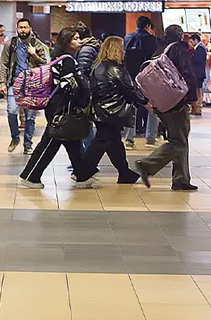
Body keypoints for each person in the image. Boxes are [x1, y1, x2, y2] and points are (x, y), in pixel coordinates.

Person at [19, 28, 89, 189]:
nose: (79, 41)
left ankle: (83, 175)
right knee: (51, 142)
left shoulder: (58, 58)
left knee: (73, 141)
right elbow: (68, 85)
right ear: (67, 42)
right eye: (75, 38)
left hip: (56, 106)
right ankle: (30, 176)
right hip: (62, 108)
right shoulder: (68, 61)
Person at [74, 37, 147, 186]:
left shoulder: (98, 67)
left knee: (114, 143)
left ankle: (124, 172)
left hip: (101, 111)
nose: (124, 52)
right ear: (116, 50)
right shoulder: (117, 69)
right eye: (122, 48)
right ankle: (81, 173)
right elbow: (129, 91)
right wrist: (145, 102)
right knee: (101, 142)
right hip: (112, 113)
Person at [136, 25, 200, 191]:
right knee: (178, 141)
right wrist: (193, 100)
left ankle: (181, 179)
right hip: (177, 101)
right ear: (180, 36)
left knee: (179, 138)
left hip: (161, 102)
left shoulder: (159, 50)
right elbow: (188, 73)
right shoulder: (179, 49)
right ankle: (147, 165)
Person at [0, 18, 50, 154]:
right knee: (12, 111)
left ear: (30, 29)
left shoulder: (36, 44)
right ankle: (15, 138)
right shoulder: (11, 44)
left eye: (25, 27)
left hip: (32, 84)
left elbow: (45, 64)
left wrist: (34, 54)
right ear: (17, 29)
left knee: (30, 117)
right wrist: (2, 83)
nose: (23, 30)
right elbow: (4, 63)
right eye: (20, 27)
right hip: (14, 82)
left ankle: (28, 144)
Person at [123, 16, 160, 149]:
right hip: (147, 78)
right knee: (152, 106)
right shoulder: (151, 39)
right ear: (148, 26)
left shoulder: (128, 38)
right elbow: (155, 59)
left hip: (130, 77)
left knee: (132, 107)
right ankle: (150, 138)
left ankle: (129, 140)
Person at [189, 33, 206, 115]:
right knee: (197, 90)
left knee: (198, 91)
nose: (191, 43)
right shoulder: (200, 48)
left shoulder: (200, 49)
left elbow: (196, 60)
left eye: (192, 41)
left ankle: (198, 108)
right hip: (198, 73)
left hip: (198, 74)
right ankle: (196, 108)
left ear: (196, 40)